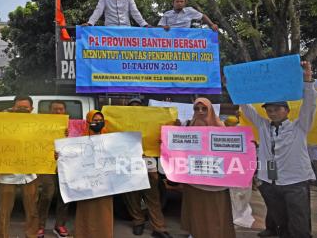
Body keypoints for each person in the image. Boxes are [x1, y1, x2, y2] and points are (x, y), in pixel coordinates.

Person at [239, 61, 316, 238]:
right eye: (269, 110)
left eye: (276, 109)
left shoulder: (299, 126)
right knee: (281, 222)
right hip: (271, 181)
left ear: (287, 110)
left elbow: (309, 105)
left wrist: (307, 80)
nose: (272, 113)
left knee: (299, 223)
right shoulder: (264, 126)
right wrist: (235, 87)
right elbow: (247, 109)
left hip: (295, 182)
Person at [181, 98, 236, 238]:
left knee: (215, 212)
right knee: (195, 209)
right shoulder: (188, 127)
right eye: (196, 109)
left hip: (215, 183)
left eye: (204, 108)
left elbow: (231, 152)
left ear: (210, 110)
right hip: (193, 181)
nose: (200, 112)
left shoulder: (221, 128)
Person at [122, 98, 172, 238]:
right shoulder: (122, 122)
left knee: (153, 196)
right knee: (132, 196)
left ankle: (159, 227)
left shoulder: (151, 122)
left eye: (138, 106)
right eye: (132, 107)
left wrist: (171, 131)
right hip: (128, 162)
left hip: (149, 163)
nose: (136, 109)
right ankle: (138, 222)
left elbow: (162, 135)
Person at [0, 95, 39, 238]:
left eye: (25, 108)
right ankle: (2, 236)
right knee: (4, 211)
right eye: (19, 107)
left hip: (30, 175)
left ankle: (31, 235)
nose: (22, 110)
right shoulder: (2, 122)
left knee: (32, 210)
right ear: (13, 107)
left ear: (31, 109)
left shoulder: (39, 124)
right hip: (8, 174)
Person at [73, 110, 113, 238]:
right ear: (88, 121)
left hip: (105, 183)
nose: (98, 123)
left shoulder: (110, 138)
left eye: (100, 120)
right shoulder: (80, 139)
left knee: (104, 211)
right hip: (86, 182)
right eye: (95, 120)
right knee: (86, 210)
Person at [37, 100, 70, 238]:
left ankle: (60, 225)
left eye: (60, 109)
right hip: (47, 165)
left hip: (66, 165)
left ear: (65, 111)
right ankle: (39, 226)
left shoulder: (71, 126)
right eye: (55, 109)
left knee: (65, 196)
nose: (58, 112)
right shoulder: (42, 125)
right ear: (50, 111)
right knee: (47, 194)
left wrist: (70, 135)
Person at [224, 115, 256, 229]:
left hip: (240, 168)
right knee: (236, 194)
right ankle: (236, 213)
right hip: (235, 168)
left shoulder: (244, 133)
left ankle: (237, 213)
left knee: (239, 193)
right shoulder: (226, 134)